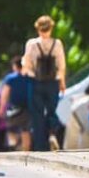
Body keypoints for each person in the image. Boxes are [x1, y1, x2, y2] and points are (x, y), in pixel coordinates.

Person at [21, 15, 66, 151]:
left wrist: (26, 72)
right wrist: (62, 82)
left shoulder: (32, 44)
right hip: (52, 82)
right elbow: (61, 65)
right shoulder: (57, 44)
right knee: (52, 110)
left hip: (36, 82)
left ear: (38, 29)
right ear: (51, 28)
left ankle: (41, 146)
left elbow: (26, 64)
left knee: (37, 114)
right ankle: (52, 132)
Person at [0, 56, 32, 151]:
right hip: (28, 109)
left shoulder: (10, 78)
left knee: (11, 130)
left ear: (15, 66)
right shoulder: (30, 77)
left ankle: (14, 147)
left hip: (14, 109)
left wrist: (1, 108)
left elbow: (4, 94)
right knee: (26, 130)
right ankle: (26, 151)